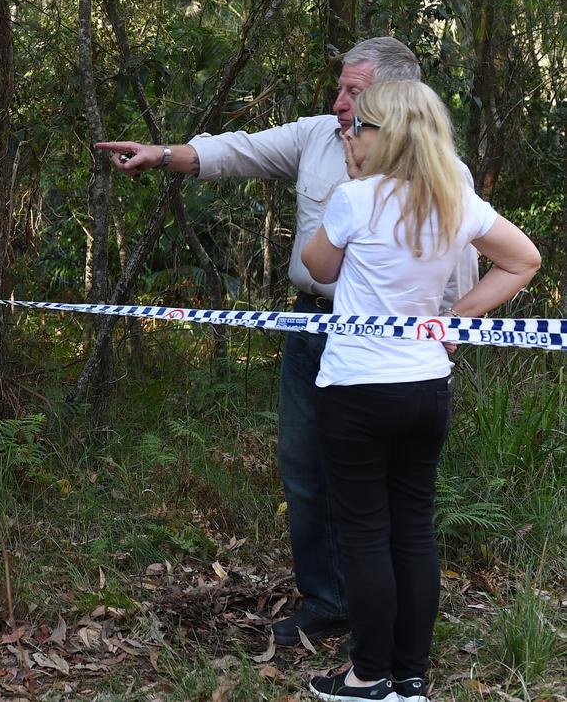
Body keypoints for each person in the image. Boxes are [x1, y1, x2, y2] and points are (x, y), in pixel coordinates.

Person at [94, 37, 477, 647]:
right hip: (311, 330)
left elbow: (462, 257)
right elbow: (238, 152)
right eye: (342, 87)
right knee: (304, 469)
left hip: (394, 351)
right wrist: (163, 154)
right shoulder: (317, 135)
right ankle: (328, 601)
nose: (340, 100)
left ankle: (382, 627)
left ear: (393, 97)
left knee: (385, 497)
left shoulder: (443, 169)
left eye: (354, 91)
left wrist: (452, 322)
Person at [301, 81, 540, 702]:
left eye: (360, 129)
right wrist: (460, 316)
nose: (350, 136)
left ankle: (366, 676)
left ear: (388, 135)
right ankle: (409, 677)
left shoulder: (356, 198)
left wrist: (345, 187)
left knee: (364, 533)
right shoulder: (456, 201)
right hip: (427, 384)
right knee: (412, 529)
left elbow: (317, 269)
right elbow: (523, 259)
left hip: (356, 388)